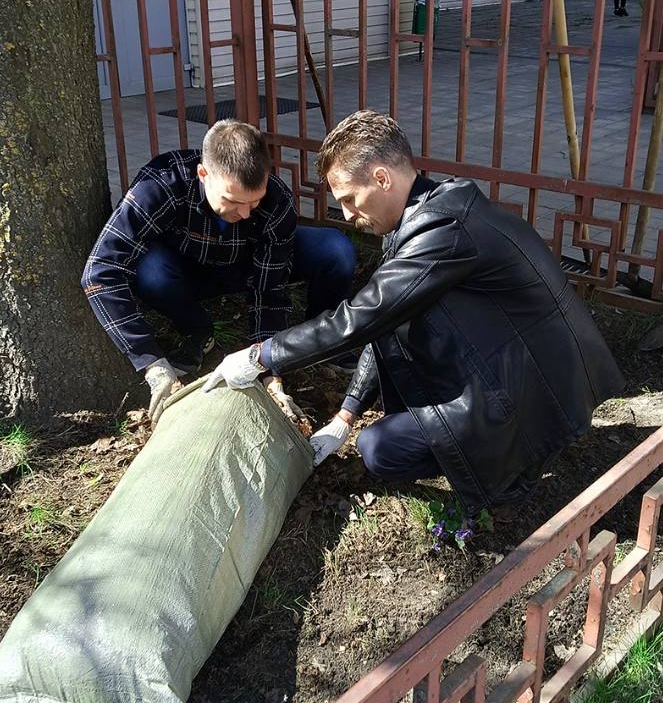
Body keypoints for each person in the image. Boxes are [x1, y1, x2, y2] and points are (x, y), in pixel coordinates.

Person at [203, 110, 623, 519]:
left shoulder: (441, 229)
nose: (347, 215)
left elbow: (362, 317)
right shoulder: (431, 210)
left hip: (531, 390)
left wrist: (262, 355)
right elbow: (383, 319)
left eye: (349, 198)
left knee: (380, 450)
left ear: (382, 178)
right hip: (536, 370)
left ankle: (512, 471)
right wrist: (345, 414)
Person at [82, 120, 356, 423]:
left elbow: (269, 291)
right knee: (150, 270)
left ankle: (323, 337)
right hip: (184, 273)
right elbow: (101, 270)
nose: (246, 213)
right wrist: (152, 364)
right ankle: (197, 329)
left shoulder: (276, 200)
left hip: (246, 266)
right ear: (203, 174)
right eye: (233, 201)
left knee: (336, 248)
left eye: (255, 201)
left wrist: (270, 373)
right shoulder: (160, 185)